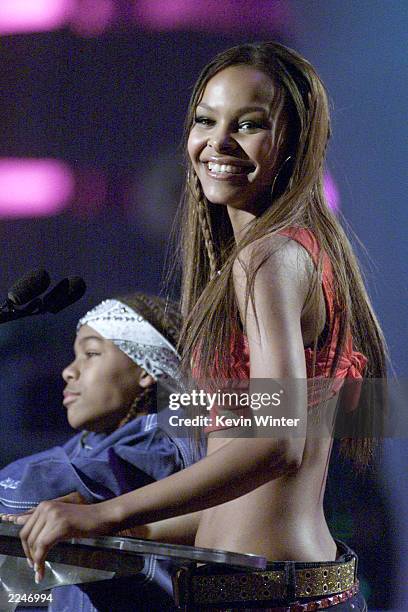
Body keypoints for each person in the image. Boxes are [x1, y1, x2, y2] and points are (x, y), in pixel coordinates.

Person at [12, 42, 387, 611]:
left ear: (295, 142)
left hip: (265, 597)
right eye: (206, 120)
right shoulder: (291, 254)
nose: (218, 142)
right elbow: (244, 497)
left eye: (250, 124)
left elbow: (279, 443)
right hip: (274, 588)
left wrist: (105, 511)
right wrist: (117, 531)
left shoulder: (265, 260)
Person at [0, 293, 199, 611]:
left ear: (147, 369)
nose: (69, 371)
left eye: (91, 353)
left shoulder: (163, 443)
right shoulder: (86, 444)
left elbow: (41, 485)